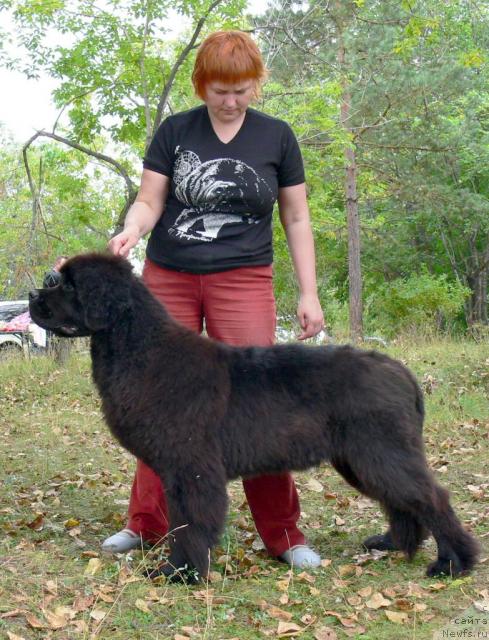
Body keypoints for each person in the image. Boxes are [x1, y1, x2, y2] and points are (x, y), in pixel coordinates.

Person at [105, 30, 325, 569]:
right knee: (156, 403)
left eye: (241, 90)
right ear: (202, 85)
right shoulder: (176, 131)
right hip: (169, 276)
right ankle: (148, 524)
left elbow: (295, 217)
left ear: (256, 85)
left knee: (258, 404)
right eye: (219, 90)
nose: (230, 101)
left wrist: (309, 291)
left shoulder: (277, 137)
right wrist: (133, 229)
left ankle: (283, 533)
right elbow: (149, 200)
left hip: (243, 277)